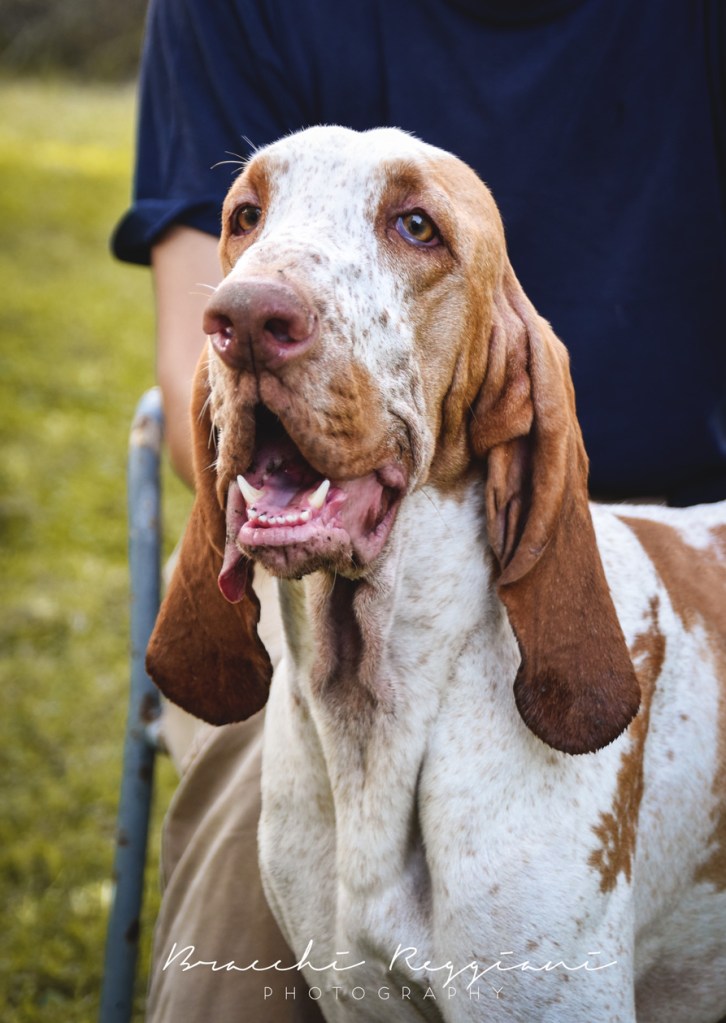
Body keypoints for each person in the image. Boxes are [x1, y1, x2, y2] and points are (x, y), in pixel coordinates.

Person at [113, 1, 726, 1019]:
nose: (257, 300)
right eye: (250, 219)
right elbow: (197, 364)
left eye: (413, 228)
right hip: (277, 525)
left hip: (625, 509)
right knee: (230, 986)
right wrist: (291, 486)